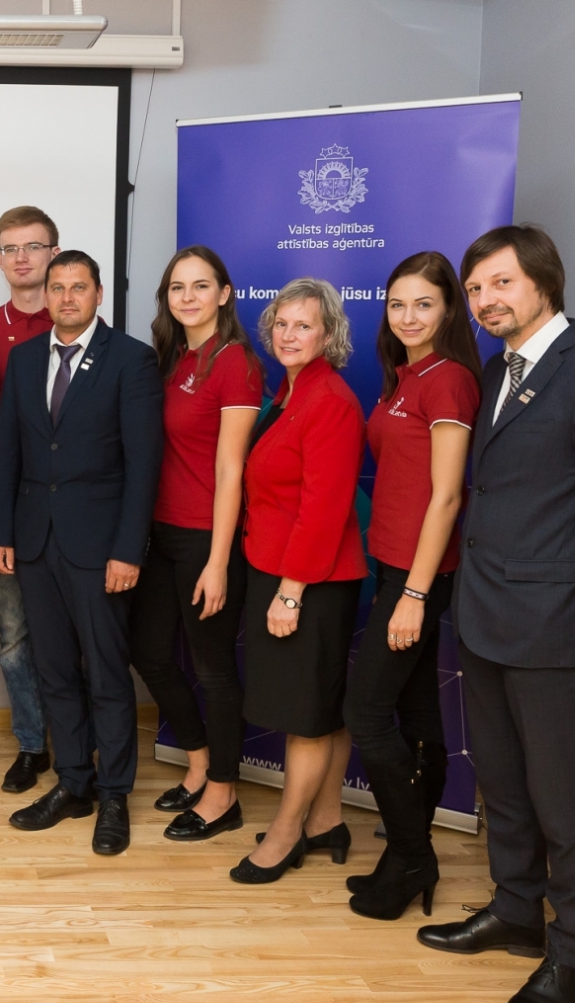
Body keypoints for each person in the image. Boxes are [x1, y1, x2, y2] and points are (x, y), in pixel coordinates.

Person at [417, 226, 575, 1003]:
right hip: (486, 616)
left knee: (562, 800)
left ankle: (571, 955)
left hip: (557, 631)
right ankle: (516, 911)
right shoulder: (499, 369)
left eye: (500, 284)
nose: (485, 301)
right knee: (504, 785)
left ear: (544, 281)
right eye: (476, 290)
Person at [0, 249, 163, 857]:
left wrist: (127, 550)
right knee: (55, 671)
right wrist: (1, 533)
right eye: (57, 287)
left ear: (98, 294)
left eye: (78, 288)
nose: (66, 298)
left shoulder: (132, 360)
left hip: (99, 549)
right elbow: (7, 451)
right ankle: (74, 783)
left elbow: (144, 467)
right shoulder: (24, 358)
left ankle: (114, 795)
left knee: (108, 676)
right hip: (35, 542)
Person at [342, 252, 481, 921]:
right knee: (420, 712)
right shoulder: (403, 376)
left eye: (422, 304)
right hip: (394, 564)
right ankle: (405, 856)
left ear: (449, 309)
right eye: (397, 304)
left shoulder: (448, 380)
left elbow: (448, 496)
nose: (407, 316)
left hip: (418, 574)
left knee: (367, 712)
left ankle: (411, 852)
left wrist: (416, 594)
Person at [231, 279, 366, 885]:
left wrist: (290, 591)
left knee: (304, 714)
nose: (289, 335)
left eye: (304, 325)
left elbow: (325, 507)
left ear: (330, 334)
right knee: (322, 707)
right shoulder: (289, 392)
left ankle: (286, 834)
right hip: (283, 568)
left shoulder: (330, 400)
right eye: (282, 324)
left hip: (307, 580)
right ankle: (327, 819)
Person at [130, 246, 262, 842]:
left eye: (200, 286)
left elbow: (232, 469)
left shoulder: (235, 362)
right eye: (177, 287)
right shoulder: (175, 358)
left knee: (213, 670)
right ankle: (202, 764)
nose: (187, 297)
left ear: (224, 294)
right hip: (161, 531)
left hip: (207, 537)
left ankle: (225, 793)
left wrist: (217, 560)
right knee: (151, 652)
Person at [0, 206, 58, 793]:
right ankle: (33, 744)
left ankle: (82, 740)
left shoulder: (79, 317)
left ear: (54, 252)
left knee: (74, 636)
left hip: (71, 510)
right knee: (15, 638)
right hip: (9, 507)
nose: (21, 257)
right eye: (9, 248)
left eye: (33, 246)